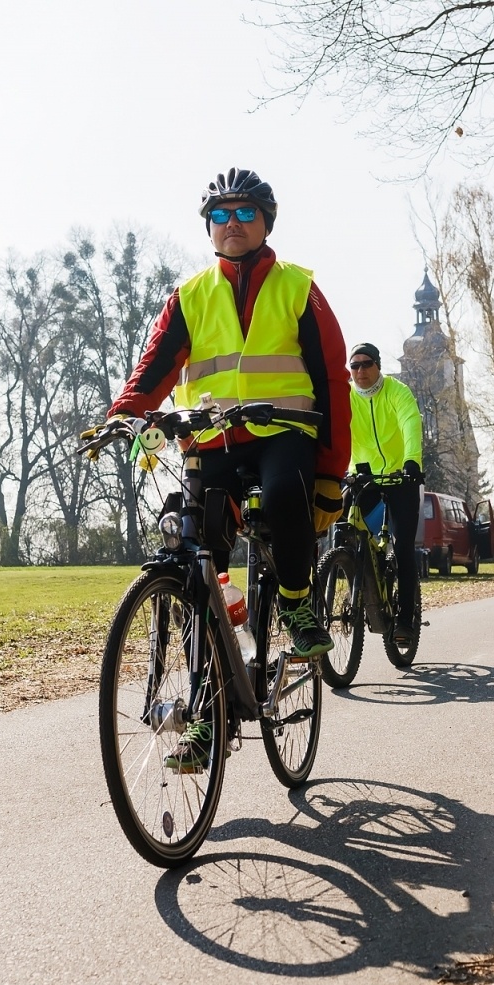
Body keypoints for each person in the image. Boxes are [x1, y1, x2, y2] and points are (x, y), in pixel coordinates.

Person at [107, 168, 351, 770]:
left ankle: (295, 600)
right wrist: (123, 414)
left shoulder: (299, 288)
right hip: (211, 440)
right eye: (220, 216)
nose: (232, 224)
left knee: (285, 496)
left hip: (282, 433)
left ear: (266, 222)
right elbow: (157, 364)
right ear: (209, 229)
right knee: (200, 570)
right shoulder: (189, 295)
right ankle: (206, 716)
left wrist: (330, 471)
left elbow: (331, 381)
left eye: (244, 213)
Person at [345, 342, 424, 646]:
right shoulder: (347, 398)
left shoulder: (397, 391)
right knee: (350, 532)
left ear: (378, 365)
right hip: (364, 477)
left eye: (366, 364)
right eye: (354, 366)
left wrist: (411, 462)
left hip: (401, 477)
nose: (360, 371)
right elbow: (338, 431)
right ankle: (359, 579)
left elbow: (409, 424)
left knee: (403, 547)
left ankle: (404, 621)